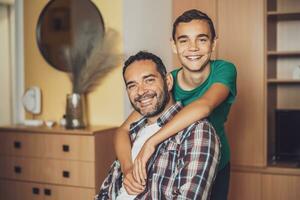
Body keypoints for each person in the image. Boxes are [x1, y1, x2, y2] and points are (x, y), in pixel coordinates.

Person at [114, 9, 237, 200]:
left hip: (216, 161)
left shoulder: (224, 70)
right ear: (174, 45)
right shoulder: (167, 82)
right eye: (184, 40)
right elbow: (123, 131)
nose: (193, 47)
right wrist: (127, 169)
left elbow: (204, 106)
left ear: (214, 43)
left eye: (202, 40)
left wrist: (151, 142)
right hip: (179, 161)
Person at [96, 51, 220, 199]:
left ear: (168, 82)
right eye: (132, 86)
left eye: (149, 80)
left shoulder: (197, 132)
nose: (141, 91)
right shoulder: (133, 132)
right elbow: (106, 191)